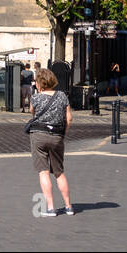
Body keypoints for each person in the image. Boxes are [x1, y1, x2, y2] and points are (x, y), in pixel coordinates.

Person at [27, 67, 75, 216]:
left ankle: (50, 208)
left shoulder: (35, 98)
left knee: (43, 172)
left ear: (39, 83)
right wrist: (62, 133)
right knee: (59, 172)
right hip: (57, 136)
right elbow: (69, 118)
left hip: (38, 135)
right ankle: (68, 206)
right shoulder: (61, 96)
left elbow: (32, 112)